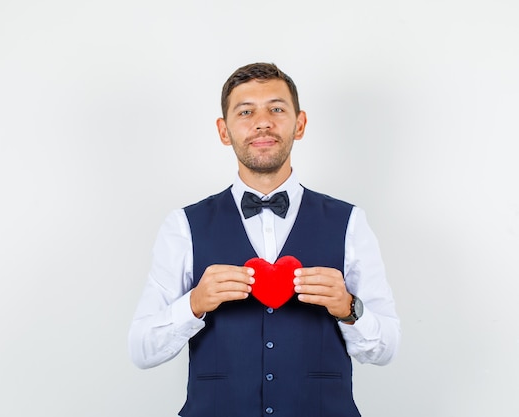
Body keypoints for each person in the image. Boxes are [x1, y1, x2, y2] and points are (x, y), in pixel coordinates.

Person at [128, 62, 400, 417]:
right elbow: (141, 350)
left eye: (276, 108)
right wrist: (194, 303)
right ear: (224, 131)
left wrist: (349, 308)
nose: (262, 122)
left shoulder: (350, 222)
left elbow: (387, 349)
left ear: (299, 124)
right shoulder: (183, 226)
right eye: (245, 112)